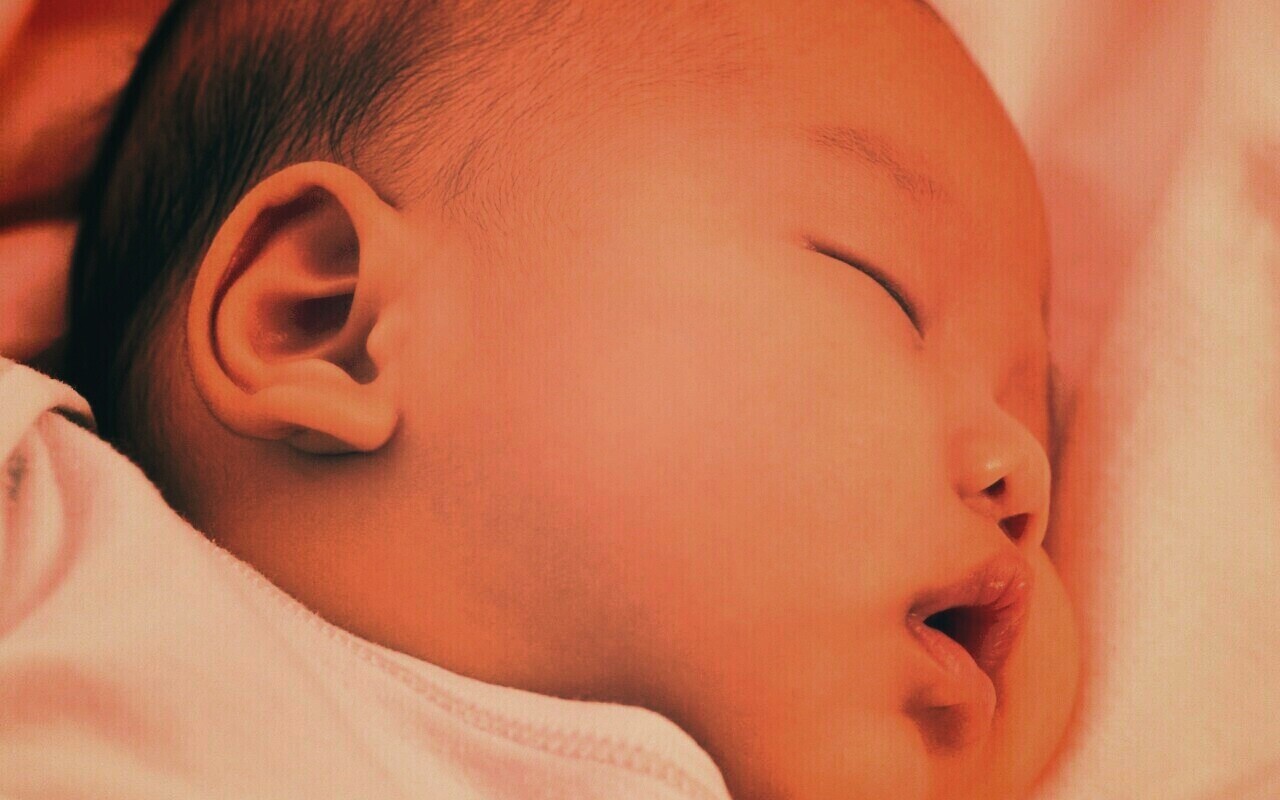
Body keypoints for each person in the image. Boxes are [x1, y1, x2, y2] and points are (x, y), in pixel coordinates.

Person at [4, 0, 1080, 797]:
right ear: (325, 315)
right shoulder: (56, 548)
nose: (1022, 472)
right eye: (884, 291)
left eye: (1032, 411)